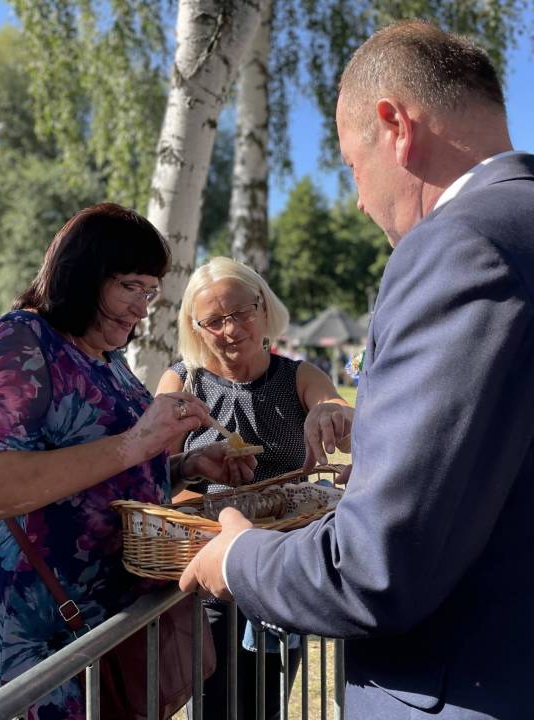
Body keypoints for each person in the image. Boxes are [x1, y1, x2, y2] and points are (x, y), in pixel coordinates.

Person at [179, 20, 534, 720]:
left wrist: (238, 557)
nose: (359, 199)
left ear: (394, 126)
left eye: (353, 165)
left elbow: (375, 567)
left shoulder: (462, 248)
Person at [0, 203, 256, 717]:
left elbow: (102, 480)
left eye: (150, 292)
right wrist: (137, 443)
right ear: (83, 273)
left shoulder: (108, 359)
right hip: (30, 639)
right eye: (130, 287)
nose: (141, 308)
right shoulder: (23, 340)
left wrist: (183, 467)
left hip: (100, 636)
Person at [155, 255, 353, 720]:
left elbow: (337, 415)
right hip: (209, 575)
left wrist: (334, 413)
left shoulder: (299, 376)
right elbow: (152, 475)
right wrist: (193, 468)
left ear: (263, 307)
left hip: (279, 574)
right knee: (213, 706)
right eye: (214, 321)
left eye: (241, 312)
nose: (230, 329)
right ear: (195, 328)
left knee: (266, 703)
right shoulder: (182, 381)